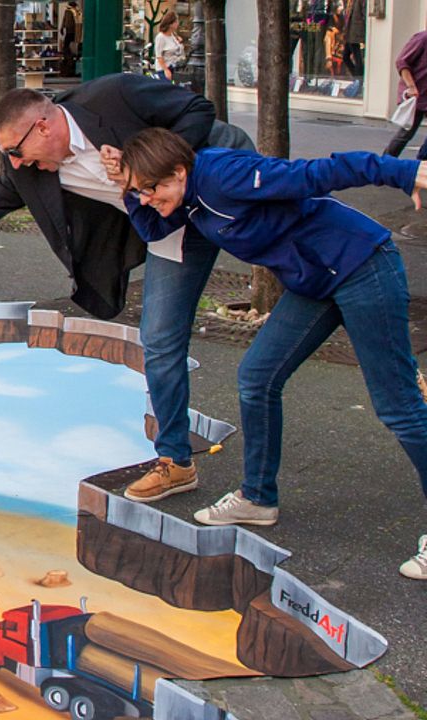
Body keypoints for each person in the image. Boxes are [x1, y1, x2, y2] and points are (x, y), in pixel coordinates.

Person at [0, 75, 254, 504]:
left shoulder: (112, 96)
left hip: (221, 177)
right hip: (168, 228)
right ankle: (175, 462)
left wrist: (149, 167)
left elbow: (198, 110)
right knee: (159, 339)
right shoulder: (30, 173)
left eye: (16, 150)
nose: (15, 163)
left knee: (300, 252)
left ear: (44, 127)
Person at [115, 127, 427, 581]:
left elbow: (322, 172)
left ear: (179, 171)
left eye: (151, 188)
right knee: (257, 378)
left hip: (362, 266)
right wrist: (130, 192)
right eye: (137, 191)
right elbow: (151, 227)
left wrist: (408, 172)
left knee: (397, 404)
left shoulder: (225, 175)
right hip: (316, 283)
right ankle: (258, 498)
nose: (146, 198)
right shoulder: (187, 199)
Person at [385, 24, 427, 160]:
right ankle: (384, 164)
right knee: (406, 133)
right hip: (417, 94)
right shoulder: (422, 39)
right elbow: (402, 62)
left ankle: (422, 163)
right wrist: (411, 86)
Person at [152, 10, 183, 81]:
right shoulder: (161, 37)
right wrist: (166, 70)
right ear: (170, 24)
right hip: (164, 70)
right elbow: (159, 56)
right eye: (176, 22)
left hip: (174, 67)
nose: (178, 23)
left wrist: (179, 43)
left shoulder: (173, 35)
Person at [341, 0, 364, 79]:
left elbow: (364, 15)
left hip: (357, 34)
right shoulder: (350, 2)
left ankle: (359, 79)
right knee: (345, 56)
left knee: (358, 58)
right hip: (350, 33)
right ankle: (357, 78)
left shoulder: (360, 1)